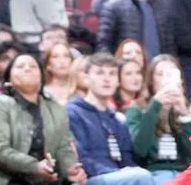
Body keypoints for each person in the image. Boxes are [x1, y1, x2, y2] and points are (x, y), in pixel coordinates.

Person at [0, 53, 86, 185]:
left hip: (48, 179)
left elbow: (63, 147)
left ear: (42, 77)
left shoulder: (56, 108)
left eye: (33, 66)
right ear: (9, 79)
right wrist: (34, 167)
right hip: (7, 179)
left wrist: (70, 169)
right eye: (20, 66)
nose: (27, 69)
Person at [66, 54, 154, 185]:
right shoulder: (73, 112)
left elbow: (126, 157)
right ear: (86, 78)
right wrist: (116, 172)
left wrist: (127, 170)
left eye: (112, 74)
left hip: (118, 176)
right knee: (141, 177)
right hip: (90, 178)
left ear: (118, 81)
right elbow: (81, 157)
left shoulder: (117, 119)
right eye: (100, 73)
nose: (106, 79)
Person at [124, 55, 191, 181]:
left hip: (183, 175)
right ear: (151, 80)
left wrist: (184, 116)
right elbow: (140, 151)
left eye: (172, 74)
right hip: (153, 174)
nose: (167, 79)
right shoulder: (136, 110)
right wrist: (155, 105)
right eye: (161, 74)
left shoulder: (183, 110)